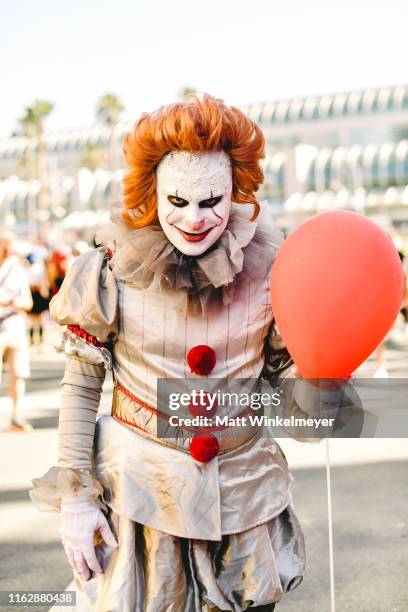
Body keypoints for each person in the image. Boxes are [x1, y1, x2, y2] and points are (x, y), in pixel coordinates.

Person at [30, 95, 344, 611]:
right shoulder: (112, 267)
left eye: (211, 201)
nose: (195, 219)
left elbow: (288, 386)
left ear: (235, 191)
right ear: (152, 192)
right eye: (177, 201)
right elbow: (81, 383)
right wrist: (78, 501)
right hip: (142, 492)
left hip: (245, 493)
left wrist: (323, 389)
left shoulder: (275, 268)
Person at [0, 232, 33, 432]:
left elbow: (27, 302)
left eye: (9, 248)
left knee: (18, 373)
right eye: (4, 247)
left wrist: (12, 302)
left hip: (14, 327)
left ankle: (16, 415)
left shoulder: (18, 270)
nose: (6, 252)